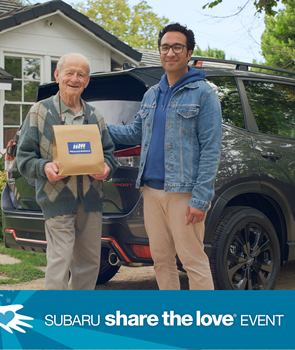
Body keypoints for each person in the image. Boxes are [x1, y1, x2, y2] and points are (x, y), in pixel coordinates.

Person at [107, 23, 222, 290]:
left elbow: (211, 149)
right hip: (151, 192)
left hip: (183, 193)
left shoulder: (204, 94)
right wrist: (98, 127)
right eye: (165, 47)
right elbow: (135, 132)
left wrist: (201, 198)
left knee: (192, 259)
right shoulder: (151, 94)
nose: (170, 52)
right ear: (159, 52)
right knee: (161, 259)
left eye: (177, 47)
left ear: (189, 52)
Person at [16, 53, 118, 290]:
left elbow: (109, 154)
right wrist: (44, 167)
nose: (74, 79)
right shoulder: (40, 112)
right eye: (69, 73)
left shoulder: (95, 116)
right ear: (57, 75)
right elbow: (24, 160)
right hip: (57, 199)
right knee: (60, 262)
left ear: (87, 80)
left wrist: (106, 168)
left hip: (90, 201)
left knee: (89, 263)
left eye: (80, 74)